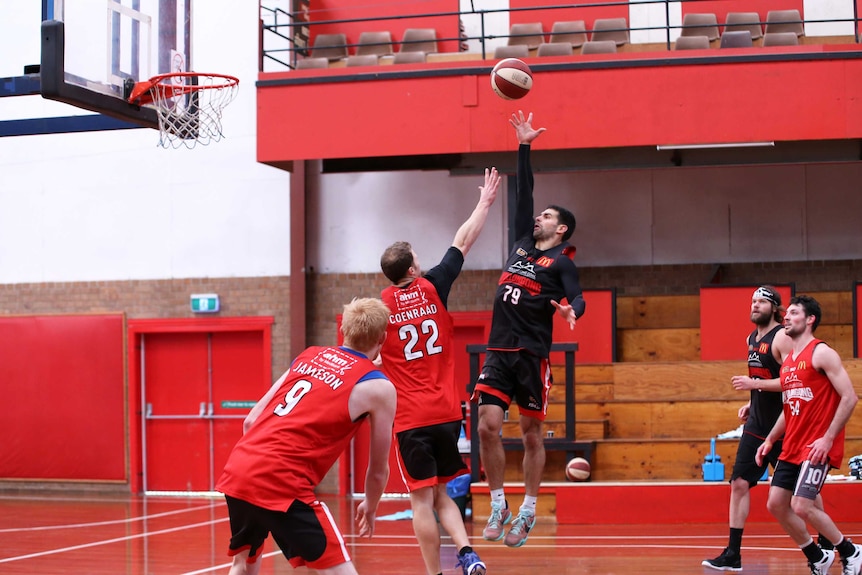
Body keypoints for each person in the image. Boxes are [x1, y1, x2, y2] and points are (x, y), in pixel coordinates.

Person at [215, 297, 397, 575]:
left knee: (242, 564)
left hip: (240, 467)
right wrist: (370, 506)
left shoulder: (309, 355)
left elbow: (250, 420)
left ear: (343, 330)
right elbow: (377, 469)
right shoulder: (379, 387)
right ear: (383, 337)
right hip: (282, 480)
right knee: (341, 571)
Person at [379, 166, 501, 575]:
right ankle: (467, 552)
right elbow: (463, 239)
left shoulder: (379, 310)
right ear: (413, 270)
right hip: (447, 414)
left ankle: (434, 573)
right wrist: (484, 202)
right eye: (417, 258)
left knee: (421, 501)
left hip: (410, 419)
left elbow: (367, 353)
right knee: (443, 494)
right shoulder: (435, 286)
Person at [472, 111, 585, 548]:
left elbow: (579, 297)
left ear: (562, 229)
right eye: (538, 214)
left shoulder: (563, 263)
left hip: (532, 355)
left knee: (532, 433)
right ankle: (499, 503)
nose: (538, 217)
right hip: (498, 349)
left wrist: (571, 311)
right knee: (486, 426)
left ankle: (529, 510)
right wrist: (524, 145)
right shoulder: (520, 241)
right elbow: (524, 193)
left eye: (547, 216)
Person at [755, 295, 862, 575]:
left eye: (792, 313)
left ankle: (850, 551)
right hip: (792, 443)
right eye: (785, 314)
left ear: (810, 319)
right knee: (776, 504)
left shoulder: (821, 353)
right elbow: (789, 407)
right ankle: (816, 555)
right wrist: (769, 439)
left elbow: (850, 397)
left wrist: (827, 439)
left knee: (801, 505)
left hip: (816, 445)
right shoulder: (789, 361)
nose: (786, 318)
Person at [703, 286, 793, 571]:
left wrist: (754, 386)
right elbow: (761, 377)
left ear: (775, 307)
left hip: (784, 426)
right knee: (739, 483)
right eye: (753, 301)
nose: (755, 305)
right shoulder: (751, 338)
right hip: (757, 424)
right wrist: (751, 401)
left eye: (761, 301)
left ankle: (828, 544)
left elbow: (792, 383)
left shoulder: (783, 337)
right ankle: (733, 553)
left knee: (803, 494)